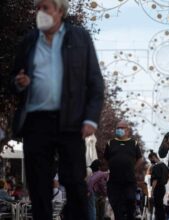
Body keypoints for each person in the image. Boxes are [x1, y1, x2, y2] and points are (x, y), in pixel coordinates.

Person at [9, 0, 104, 218]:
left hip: (70, 121)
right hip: (35, 121)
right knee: (39, 185)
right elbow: (12, 80)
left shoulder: (80, 38)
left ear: (59, 11)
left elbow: (95, 82)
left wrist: (91, 119)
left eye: (45, 8)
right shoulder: (29, 41)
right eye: (38, 8)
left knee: (75, 184)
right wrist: (18, 83)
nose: (40, 12)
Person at [104, 120, 143, 220]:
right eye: (118, 128)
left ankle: (131, 216)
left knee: (130, 200)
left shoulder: (133, 143)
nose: (119, 130)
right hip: (114, 181)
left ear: (127, 130)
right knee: (116, 206)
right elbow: (106, 158)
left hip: (129, 180)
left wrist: (133, 168)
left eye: (122, 128)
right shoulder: (110, 143)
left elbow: (140, 158)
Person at [148, 150, 169, 220]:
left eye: (150, 159)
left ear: (154, 157)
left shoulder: (156, 167)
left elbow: (155, 180)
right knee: (161, 206)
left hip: (157, 189)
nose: (151, 161)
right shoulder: (165, 166)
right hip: (163, 188)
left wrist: (152, 190)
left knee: (157, 207)